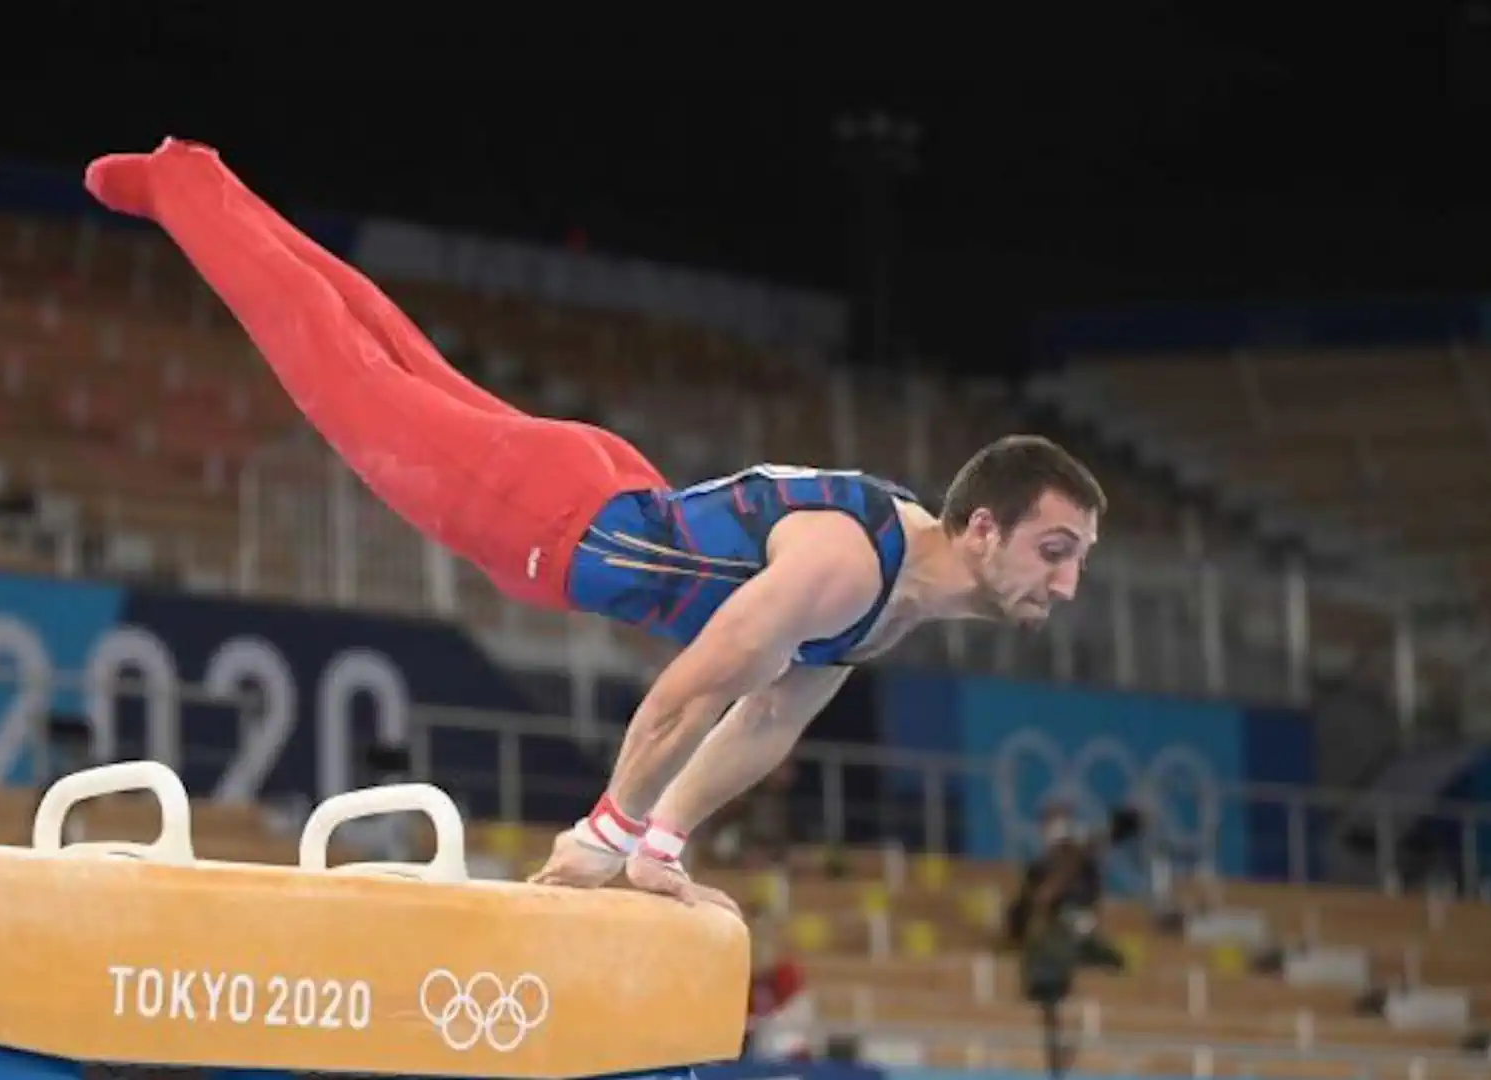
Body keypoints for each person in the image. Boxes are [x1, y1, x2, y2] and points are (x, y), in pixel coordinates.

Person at [84, 138, 1106, 909]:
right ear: (980, 528)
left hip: (601, 497)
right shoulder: (852, 564)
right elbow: (688, 690)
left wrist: (660, 846)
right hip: (552, 515)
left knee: (383, 353)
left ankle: (206, 181)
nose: (1065, 585)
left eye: (1078, 562)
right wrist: (602, 834)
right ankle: (184, 186)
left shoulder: (890, 599)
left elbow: (766, 720)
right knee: (337, 363)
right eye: (1053, 552)